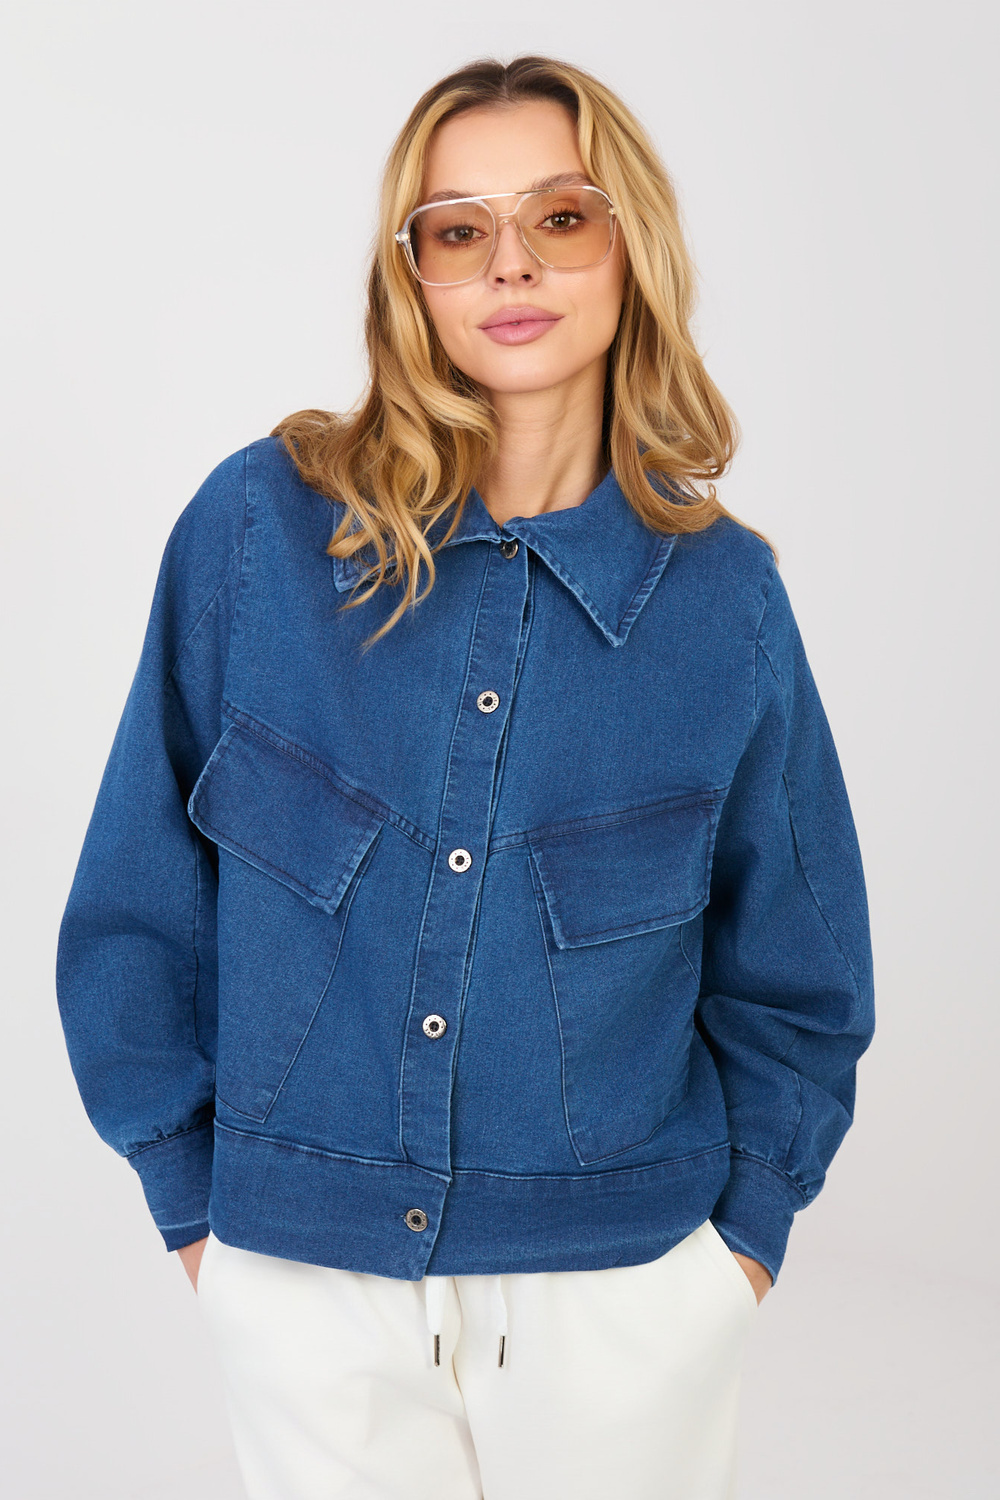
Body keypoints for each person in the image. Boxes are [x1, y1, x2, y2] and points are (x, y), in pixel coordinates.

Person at [55, 54, 875, 1500]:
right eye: (457, 229)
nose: (511, 265)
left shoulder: (725, 604)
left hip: (620, 1306)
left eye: (560, 216)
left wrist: (731, 1257)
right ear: (412, 275)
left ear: (630, 244)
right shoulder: (260, 532)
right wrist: (197, 1211)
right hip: (303, 1289)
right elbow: (137, 901)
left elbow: (798, 974)